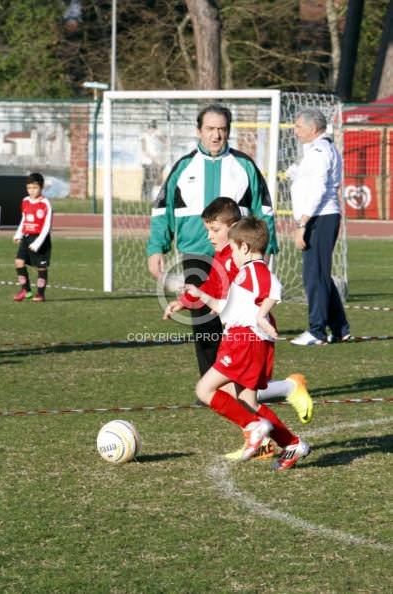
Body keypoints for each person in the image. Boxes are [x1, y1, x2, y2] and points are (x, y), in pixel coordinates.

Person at [147, 103, 278, 377]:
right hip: (196, 254)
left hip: (237, 255)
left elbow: (264, 210)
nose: (216, 135)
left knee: (238, 321)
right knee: (204, 320)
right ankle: (213, 383)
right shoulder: (183, 167)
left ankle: (245, 380)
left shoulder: (244, 166)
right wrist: (156, 247)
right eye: (210, 129)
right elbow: (162, 210)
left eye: (222, 129)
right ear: (199, 131)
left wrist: (266, 248)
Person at [163, 197, 313, 433]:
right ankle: (271, 431)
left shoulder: (243, 258)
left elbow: (270, 286)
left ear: (233, 229)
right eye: (208, 230)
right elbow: (213, 286)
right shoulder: (222, 257)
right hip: (237, 332)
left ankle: (286, 394)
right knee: (240, 395)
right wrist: (184, 301)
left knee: (229, 391)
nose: (209, 236)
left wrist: (260, 313)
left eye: (214, 230)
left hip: (251, 334)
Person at [185, 216, 310, 470]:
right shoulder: (245, 274)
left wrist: (262, 314)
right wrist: (202, 295)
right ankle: (293, 443)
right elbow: (227, 310)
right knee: (248, 404)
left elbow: (275, 287)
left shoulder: (254, 270)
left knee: (204, 390)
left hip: (245, 342)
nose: (231, 255)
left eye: (232, 249)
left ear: (244, 247)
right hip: (245, 341)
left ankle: (253, 427)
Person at [288, 108, 350, 346]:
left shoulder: (319, 151)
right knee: (319, 273)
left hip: (320, 217)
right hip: (320, 216)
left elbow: (318, 190)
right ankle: (340, 327)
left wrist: (302, 224)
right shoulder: (317, 150)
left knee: (314, 275)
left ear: (312, 128)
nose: (296, 131)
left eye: (298, 127)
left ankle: (317, 331)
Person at [13, 172, 52, 302]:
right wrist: (18, 234)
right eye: (29, 188)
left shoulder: (45, 203)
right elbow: (24, 219)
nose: (32, 191)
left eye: (35, 188)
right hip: (26, 237)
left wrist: (37, 243)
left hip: (40, 239)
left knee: (41, 266)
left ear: (41, 187)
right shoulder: (25, 201)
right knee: (19, 262)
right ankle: (26, 290)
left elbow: (47, 226)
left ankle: (40, 294)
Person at [140, 120, 165, 201]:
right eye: (151, 128)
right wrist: (152, 158)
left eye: (154, 128)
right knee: (147, 180)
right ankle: (145, 198)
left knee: (155, 180)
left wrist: (159, 135)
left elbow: (165, 141)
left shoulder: (156, 135)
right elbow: (144, 149)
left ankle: (151, 198)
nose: (152, 130)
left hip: (155, 162)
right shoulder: (144, 136)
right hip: (147, 161)